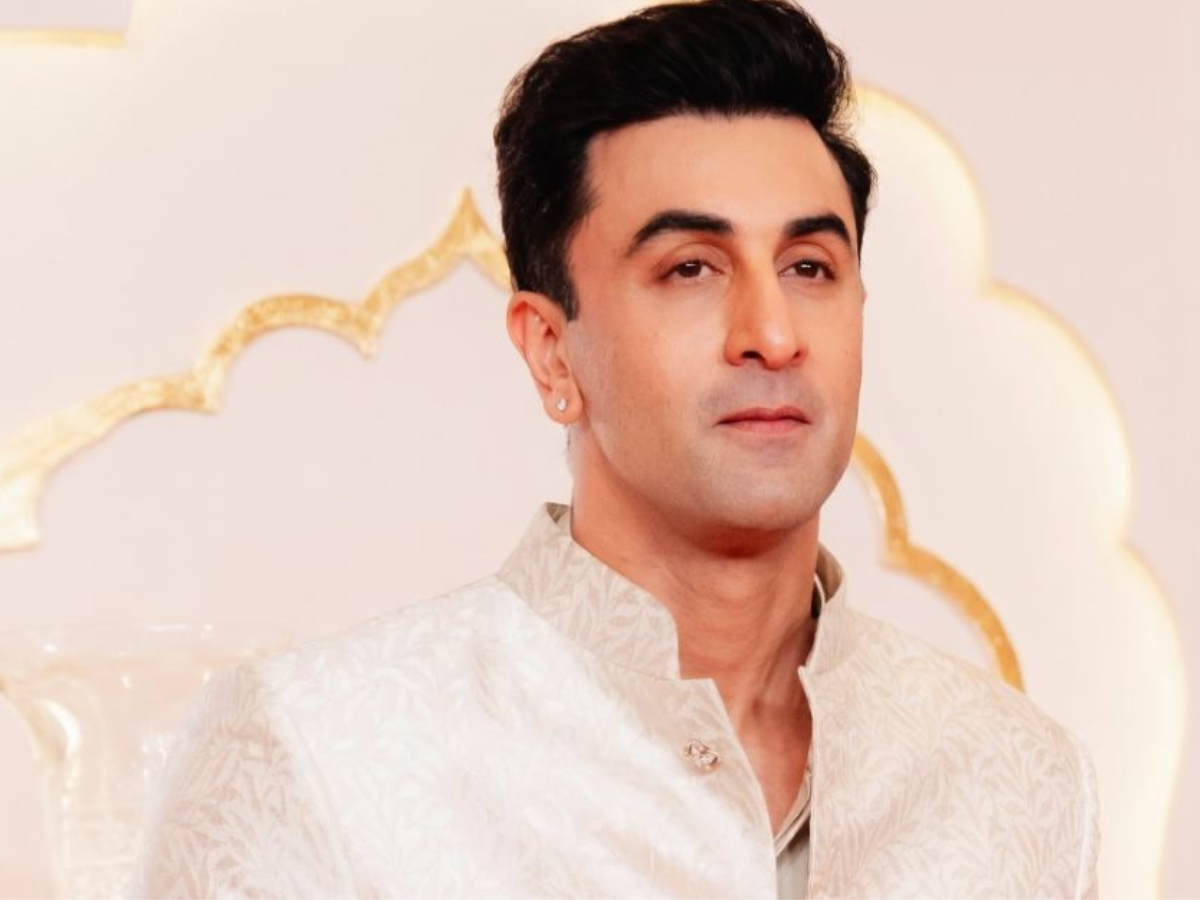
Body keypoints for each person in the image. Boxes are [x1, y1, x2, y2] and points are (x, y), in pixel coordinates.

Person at [132, 1, 1100, 897]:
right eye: (691, 269)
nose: (772, 334)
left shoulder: (1011, 777)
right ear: (552, 352)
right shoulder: (322, 752)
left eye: (809, 267)